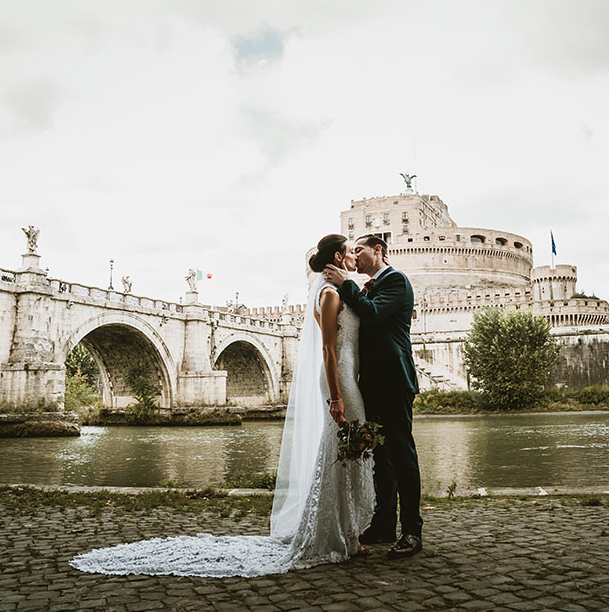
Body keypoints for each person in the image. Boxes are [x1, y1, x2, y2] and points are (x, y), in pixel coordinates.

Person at [69, 234, 373, 577]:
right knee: (343, 451)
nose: (354, 257)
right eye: (350, 252)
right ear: (338, 255)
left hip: (347, 376)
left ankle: (345, 532)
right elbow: (329, 350)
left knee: (346, 451)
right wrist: (335, 396)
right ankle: (338, 533)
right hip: (340, 381)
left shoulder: (336, 290)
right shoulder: (330, 294)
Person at [323, 234, 423, 559]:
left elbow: (374, 314)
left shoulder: (396, 281)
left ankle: (412, 531)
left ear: (377, 250)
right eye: (351, 251)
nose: (355, 255)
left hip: (394, 382)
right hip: (371, 385)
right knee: (381, 457)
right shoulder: (367, 287)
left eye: (359, 250)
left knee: (402, 455)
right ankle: (384, 524)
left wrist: (346, 283)